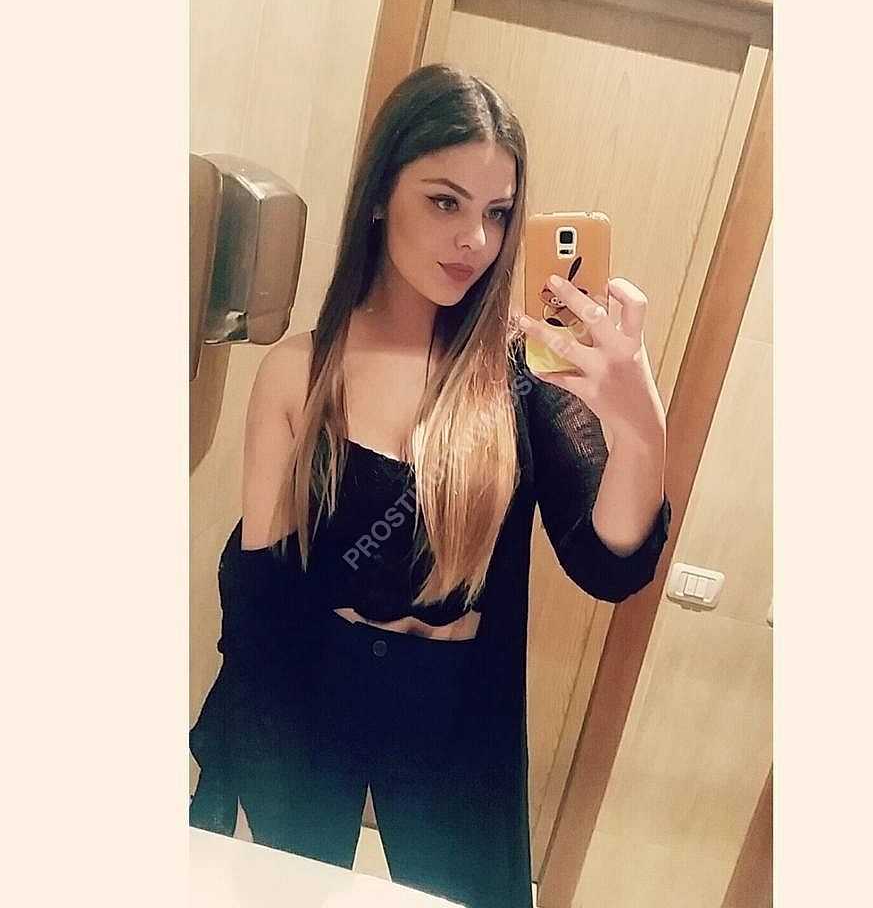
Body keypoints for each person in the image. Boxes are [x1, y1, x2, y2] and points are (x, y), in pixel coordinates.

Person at [189, 63, 672, 908]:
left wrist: (641, 427)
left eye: (497, 213)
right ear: (382, 195)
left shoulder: (521, 375)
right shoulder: (302, 369)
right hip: (312, 691)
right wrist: (243, 765)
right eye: (445, 202)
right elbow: (262, 597)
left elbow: (610, 563)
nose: (475, 241)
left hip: (456, 711)